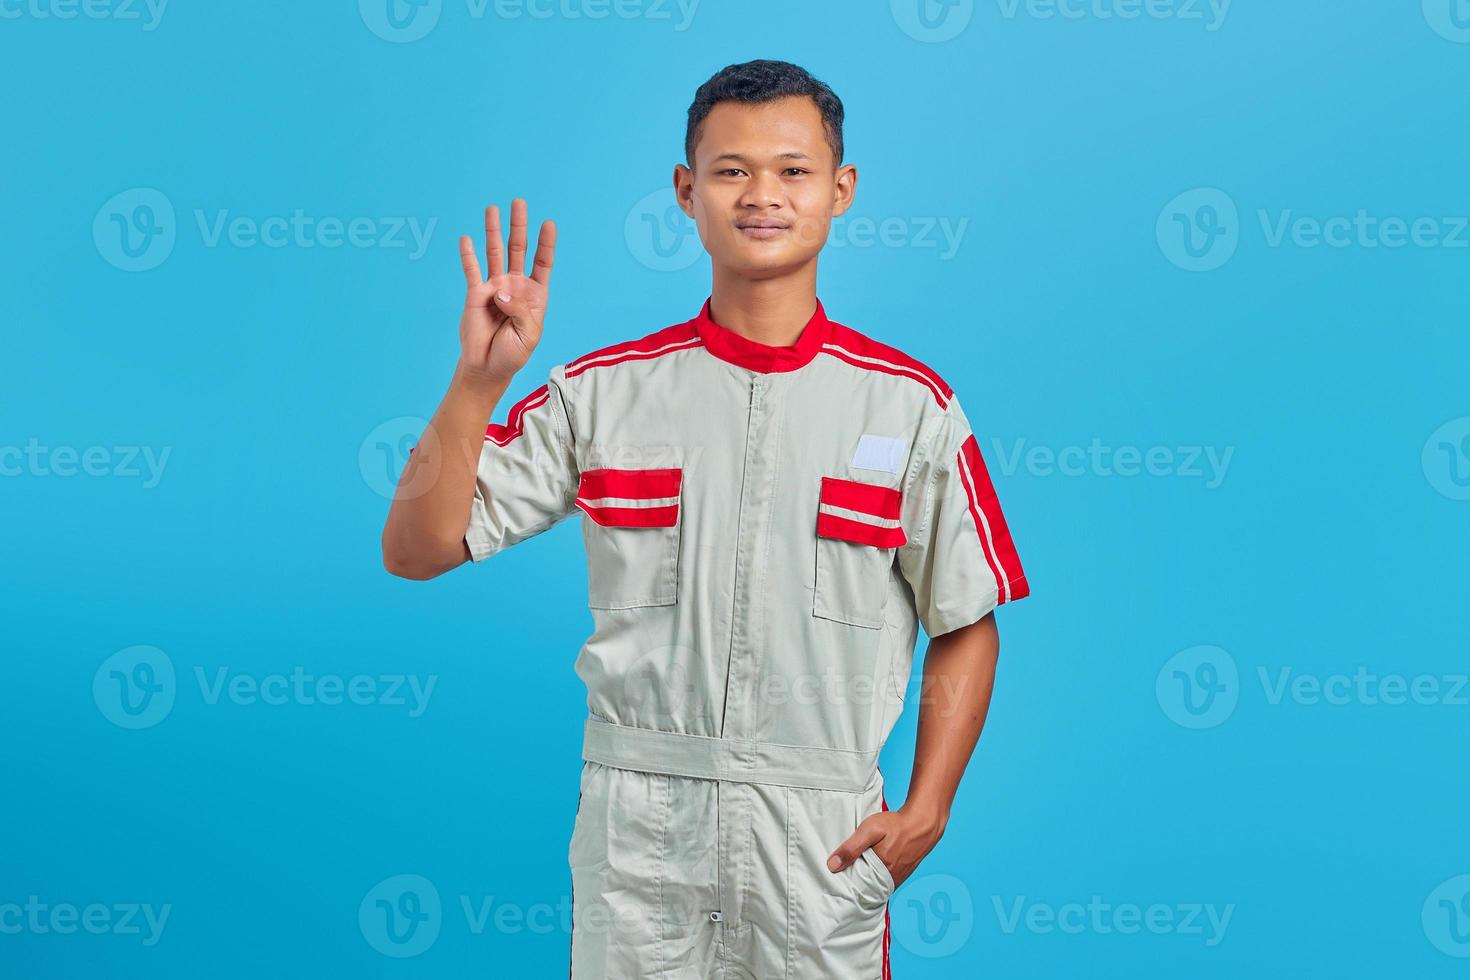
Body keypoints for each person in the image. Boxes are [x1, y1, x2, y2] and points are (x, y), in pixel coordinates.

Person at [380, 58, 1029, 980]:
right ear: (687, 192)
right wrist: (478, 383)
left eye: (793, 170)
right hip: (641, 833)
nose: (761, 194)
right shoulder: (602, 396)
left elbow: (966, 619)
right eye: (731, 171)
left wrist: (929, 806)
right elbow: (415, 549)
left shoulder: (908, 408)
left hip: (821, 835)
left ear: (840, 191)